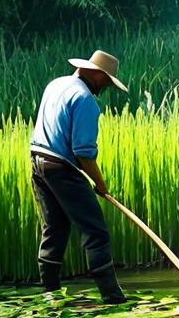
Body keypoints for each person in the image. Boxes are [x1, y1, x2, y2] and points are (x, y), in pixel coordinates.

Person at [29, 50, 128, 304]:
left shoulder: (56, 84)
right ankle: (113, 297)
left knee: (55, 228)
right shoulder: (85, 99)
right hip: (61, 167)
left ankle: (50, 295)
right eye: (105, 81)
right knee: (96, 232)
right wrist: (100, 184)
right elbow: (82, 151)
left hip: (38, 162)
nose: (104, 88)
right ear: (95, 74)